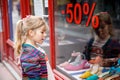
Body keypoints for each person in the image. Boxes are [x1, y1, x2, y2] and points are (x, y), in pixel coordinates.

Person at [14, 15, 55, 80]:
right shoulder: (30, 56)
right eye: (42, 32)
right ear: (31, 33)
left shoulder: (34, 49)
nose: (45, 34)